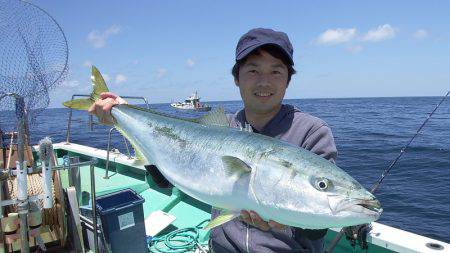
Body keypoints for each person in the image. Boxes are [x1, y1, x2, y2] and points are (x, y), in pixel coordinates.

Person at [88, 28, 337, 253]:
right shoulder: (221, 126)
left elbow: (320, 224)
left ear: (288, 79)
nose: (264, 81)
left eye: (276, 71)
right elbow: (163, 182)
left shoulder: (312, 131)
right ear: (236, 78)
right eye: (253, 70)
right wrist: (122, 114)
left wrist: (287, 221)